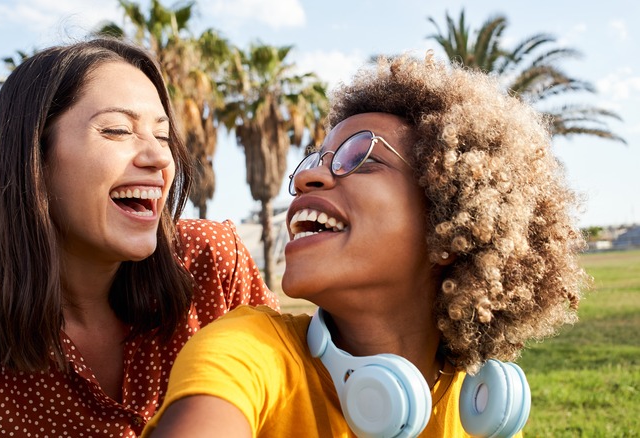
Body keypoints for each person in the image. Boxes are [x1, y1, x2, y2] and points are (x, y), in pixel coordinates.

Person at [143, 51, 588, 437]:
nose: (303, 178)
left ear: (452, 219)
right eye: (314, 160)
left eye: (359, 157)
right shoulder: (249, 349)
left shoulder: (479, 412)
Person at [0, 37, 279, 437]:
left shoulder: (212, 263)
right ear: (35, 157)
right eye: (118, 130)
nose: (159, 158)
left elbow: (294, 406)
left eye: (162, 135)